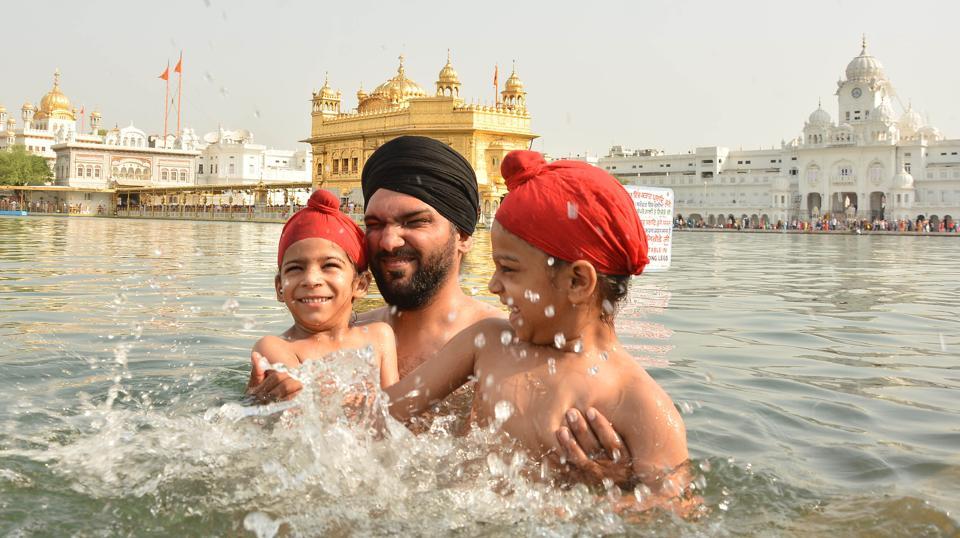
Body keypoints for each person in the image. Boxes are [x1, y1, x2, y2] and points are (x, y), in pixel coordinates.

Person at [248, 136, 633, 476]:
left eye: (414, 221)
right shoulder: (339, 339)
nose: (388, 241)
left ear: (463, 235)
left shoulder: (514, 346)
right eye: (375, 224)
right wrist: (258, 412)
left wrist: (609, 481)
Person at [385, 150, 689, 503]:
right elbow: (384, 413)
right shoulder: (487, 343)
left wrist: (610, 494)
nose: (493, 286)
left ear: (577, 281)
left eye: (509, 269)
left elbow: (675, 510)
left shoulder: (639, 403)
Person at [246, 189, 398, 401]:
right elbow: (306, 411)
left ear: (360, 284)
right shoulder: (274, 347)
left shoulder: (379, 337)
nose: (311, 279)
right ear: (280, 287)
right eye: (295, 269)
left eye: (329, 266)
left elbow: (397, 413)